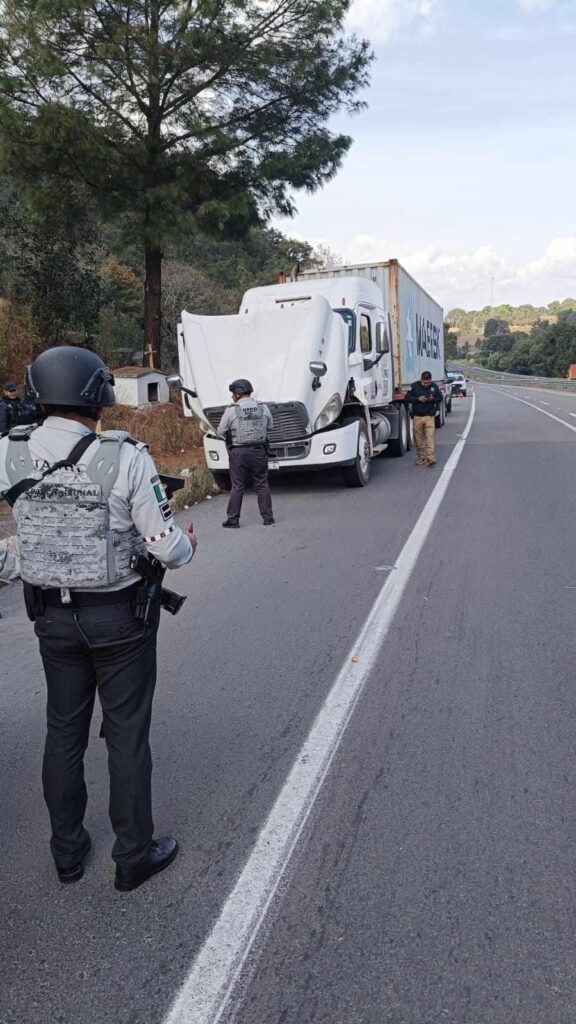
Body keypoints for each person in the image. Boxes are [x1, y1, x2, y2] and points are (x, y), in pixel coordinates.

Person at [0, 346, 197, 892]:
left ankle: (67, 854)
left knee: (63, 731)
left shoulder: (8, 451)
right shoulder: (125, 456)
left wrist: (19, 564)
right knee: (127, 734)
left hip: (50, 620)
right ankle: (133, 856)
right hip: (121, 619)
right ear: (98, 394)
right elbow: (169, 549)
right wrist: (190, 543)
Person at [218, 378, 275, 528]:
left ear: (237, 393)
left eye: (232, 394)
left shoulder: (232, 409)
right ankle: (268, 518)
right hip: (259, 452)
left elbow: (221, 431)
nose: (232, 397)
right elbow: (270, 426)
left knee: (237, 486)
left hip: (239, 453)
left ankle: (233, 520)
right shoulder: (263, 407)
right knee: (262, 485)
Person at [406, 370, 443, 467]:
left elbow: (440, 398)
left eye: (428, 383)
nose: (426, 384)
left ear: (431, 380)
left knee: (430, 438)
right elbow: (407, 398)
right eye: (424, 382)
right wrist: (418, 399)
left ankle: (430, 457)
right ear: (421, 380)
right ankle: (421, 457)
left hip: (429, 416)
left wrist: (433, 399)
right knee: (418, 439)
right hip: (417, 416)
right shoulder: (414, 386)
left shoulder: (434, 387)